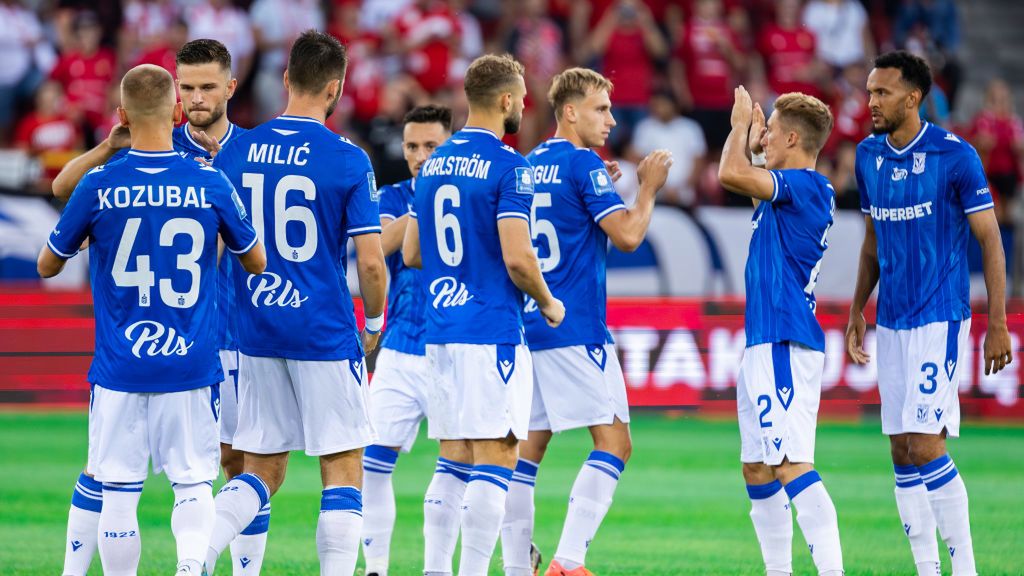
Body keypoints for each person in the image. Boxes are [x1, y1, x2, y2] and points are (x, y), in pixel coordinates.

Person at [37, 63, 265, 576]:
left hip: (119, 365)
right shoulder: (209, 179)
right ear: (177, 109)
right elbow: (256, 261)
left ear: (121, 114)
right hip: (189, 362)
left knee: (117, 489)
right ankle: (189, 568)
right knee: (191, 483)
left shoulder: (100, 183)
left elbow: (48, 265)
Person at [203, 30, 387, 576]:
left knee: (260, 470)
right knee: (342, 465)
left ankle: (197, 558)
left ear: (285, 79)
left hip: (255, 332)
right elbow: (372, 263)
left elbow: (212, 245)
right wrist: (373, 322)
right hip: (323, 332)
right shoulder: (348, 159)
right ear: (337, 88)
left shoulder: (235, 148)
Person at [498, 67, 671, 576]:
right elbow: (628, 236)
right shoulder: (584, 164)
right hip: (574, 328)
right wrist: (647, 190)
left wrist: (599, 188)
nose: (611, 120)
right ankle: (568, 563)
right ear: (570, 112)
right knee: (614, 443)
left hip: (529, 328)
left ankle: (515, 565)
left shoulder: (528, 165)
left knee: (526, 454)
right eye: (601, 109)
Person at [846, 50, 1012, 576]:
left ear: (913, 98)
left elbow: (990, 239)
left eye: (882, 92)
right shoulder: (867, 156)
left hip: (940, 316)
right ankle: (927, 568)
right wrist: (857, 309)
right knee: (901, 450)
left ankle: (965, 569)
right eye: (870, 91)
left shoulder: (955, 156)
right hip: (891, 319)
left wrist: (997, 322)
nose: (871, 101)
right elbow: (872, 241)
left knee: (925, 443)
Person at [402, 53, 564, 576]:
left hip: (441, 331)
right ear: (504, 100)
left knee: (454, 458)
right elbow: (518, 257)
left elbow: (411, 254)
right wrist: (547, 300)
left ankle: (435, 569)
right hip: (490, 327)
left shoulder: (434, 163)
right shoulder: (509, 165)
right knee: (497, 458)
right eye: (520, 97)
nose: (523, 106)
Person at [718, 86, 843, 576]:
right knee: (757, 467)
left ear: (792, 138)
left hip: (784, 340)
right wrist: (752, 142)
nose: (763, 134)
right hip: (763, 342)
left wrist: (735, 128)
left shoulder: (807, 187)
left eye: (770, 127)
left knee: (791, 464)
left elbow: (730, 173)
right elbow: (746, 174)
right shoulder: (787, 193)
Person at [360, 104, 453, 576]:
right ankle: (376, 568)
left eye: (431, 146)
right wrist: (426, 201)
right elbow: (377, 247)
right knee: (370, 464)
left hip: (455, 349)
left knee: (464, 465)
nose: (419, 155)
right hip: (398, 349)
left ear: (449, 146)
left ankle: (440, 568)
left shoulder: (470, 196)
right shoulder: (393, 197)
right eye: (412, 146)